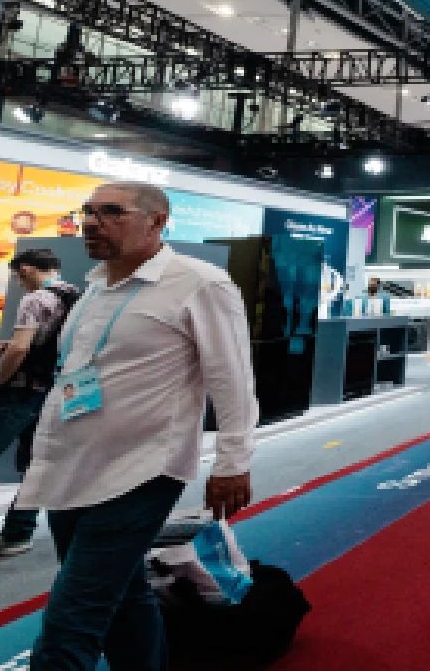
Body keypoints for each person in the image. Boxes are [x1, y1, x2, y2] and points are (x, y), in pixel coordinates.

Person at [19, 182, 258, 669]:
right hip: (72, 465)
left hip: (142, 469)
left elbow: (232, 378)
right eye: (87, 211)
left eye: (111, 212)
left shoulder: (200, 283)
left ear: (156, 220)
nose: (91, 221)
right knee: (125, 596)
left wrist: (233, 461)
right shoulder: (94, 286)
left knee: (72, 617)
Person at [0, 249, 80, 560]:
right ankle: (18, 533)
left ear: (25, 268)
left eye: (15, 274)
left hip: (19, 393)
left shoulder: (35, 299)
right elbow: (47, 343)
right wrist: (13, 347)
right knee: (33, 466)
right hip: (50, 392)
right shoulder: (73, 295)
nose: (16, 281)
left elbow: (21, 347)